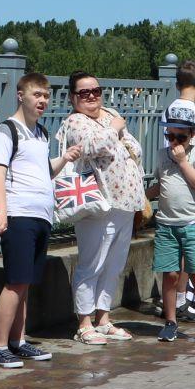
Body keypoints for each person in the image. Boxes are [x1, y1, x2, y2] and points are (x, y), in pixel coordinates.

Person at [0, 72, 78, 368]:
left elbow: (41, 171)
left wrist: (64, 160)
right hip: (19, 215)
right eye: (37, 95)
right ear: (21, 95)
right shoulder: (6, 131)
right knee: (15, 282)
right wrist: (0, 212)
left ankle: (18, 341)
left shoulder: (41, 133)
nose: (43, 101)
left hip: (41, 216)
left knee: (26, 284)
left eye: (46, 96)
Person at [56, 73, 143, 344]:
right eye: (84, 93)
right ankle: (84, 322)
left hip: (125, 201)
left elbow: (135, 148)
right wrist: (115, 130)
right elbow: (93, 146)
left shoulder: (110, 115)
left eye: (96, 90)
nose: (92, 96)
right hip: (98, 202)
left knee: (114, 264)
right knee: (92, 262)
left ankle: (103, 318)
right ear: (73, 97)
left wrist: (116, 133)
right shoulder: (74, 121)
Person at [151, 104, 195, 347]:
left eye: (181, 136)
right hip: (166, 223)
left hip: (192, 222)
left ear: (191, 135)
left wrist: (182, 162)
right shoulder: (160, 155)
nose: (175, 141)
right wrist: (141, 198)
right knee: (169, 274)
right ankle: (170, 322)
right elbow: (161, 186)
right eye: (171, 136)